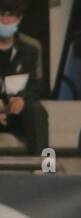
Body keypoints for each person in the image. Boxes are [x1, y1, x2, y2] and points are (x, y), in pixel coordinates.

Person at [0, 0, 47, 156]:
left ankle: (45, 170)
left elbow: (36, 86)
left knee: (37, 110)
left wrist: (22, 99)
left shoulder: (30, 49)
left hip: (17, 113)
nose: (5, 21)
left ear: (19, 18)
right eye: (0, 16)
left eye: (10, 16)